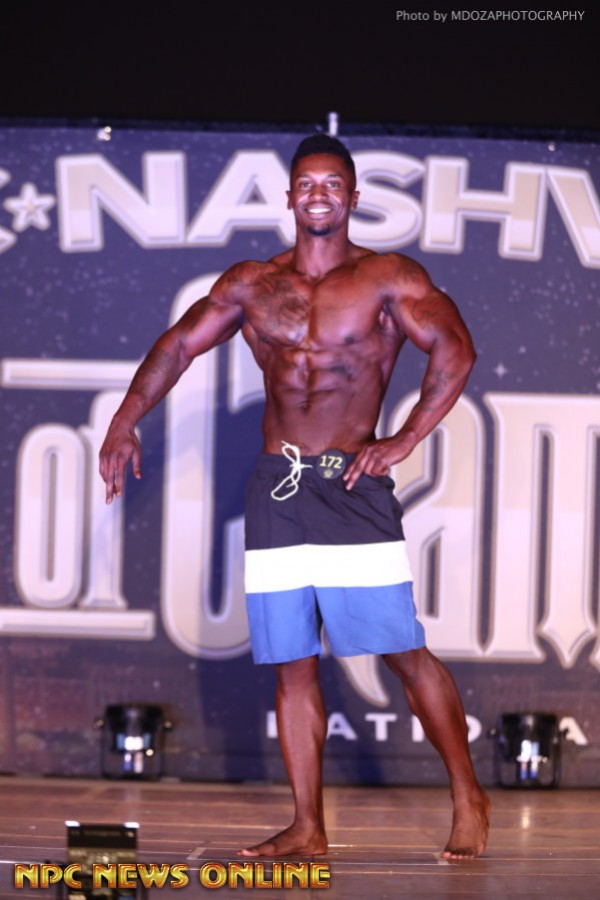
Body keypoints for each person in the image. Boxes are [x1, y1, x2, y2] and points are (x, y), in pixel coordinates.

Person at [99, 134, 490, 860]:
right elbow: (179, 345)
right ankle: (309, 826)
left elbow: (456, 348)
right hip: (277, 489)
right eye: (306, 183)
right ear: (288, 197)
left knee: (402, 651)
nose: (318, 194)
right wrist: (126, 419)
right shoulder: (252, 284)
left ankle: (468, 794)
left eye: (332, 183)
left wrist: (404, 438)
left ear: (353, 196)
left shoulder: (386, 277)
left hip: (351, 486)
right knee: (294, 663)